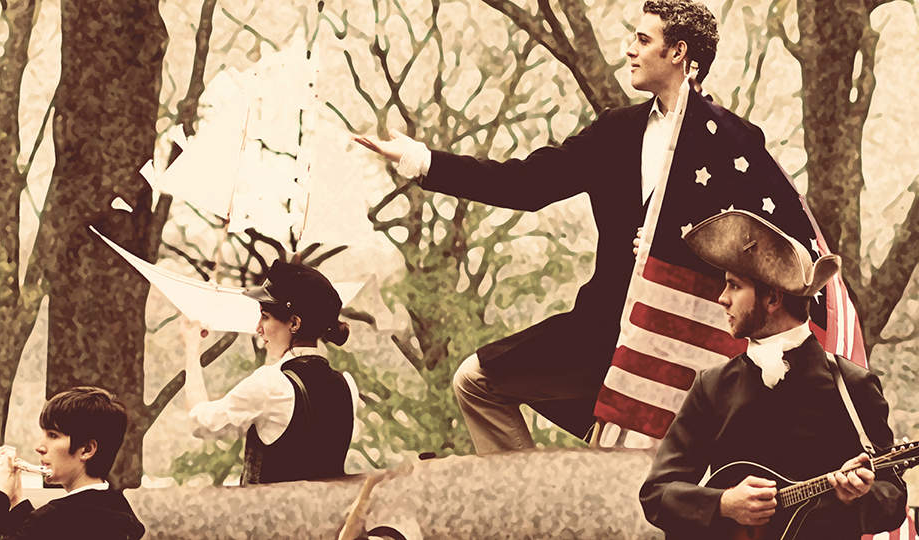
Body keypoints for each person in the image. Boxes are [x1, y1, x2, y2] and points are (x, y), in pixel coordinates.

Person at [354, 0, 723, 454]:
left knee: (641, 475)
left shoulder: (735, 145)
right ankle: (527, 492)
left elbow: (756, 250)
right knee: (474, 381)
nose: (629, 49)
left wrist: (677, 246)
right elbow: (526, 184)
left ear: (678, 52)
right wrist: (423, 160)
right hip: (599, 335)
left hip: (680, 350)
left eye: (643, 40)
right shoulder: (616, 131)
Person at [639, 210, 907, 539]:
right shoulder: (713, 385)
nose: (722, 299)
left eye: (734, 286)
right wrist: (723, 504)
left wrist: (858, 496)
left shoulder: (853, 385)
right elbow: (657, 493)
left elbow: (892, 499)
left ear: (773, 298)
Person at [183, 260, 359, 484]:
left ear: (294, 323)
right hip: (333, 507)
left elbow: (200, 424)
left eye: (265, 316)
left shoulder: (270, 384)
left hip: (275, 507)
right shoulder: (347, 385)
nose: (258, 328)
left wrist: (191, 348)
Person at [0, 386, 145, 540]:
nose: (39, 447)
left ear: (87, 449)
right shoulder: (118, 508)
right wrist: (15, 499)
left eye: (53, 435)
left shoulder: (53, 519)